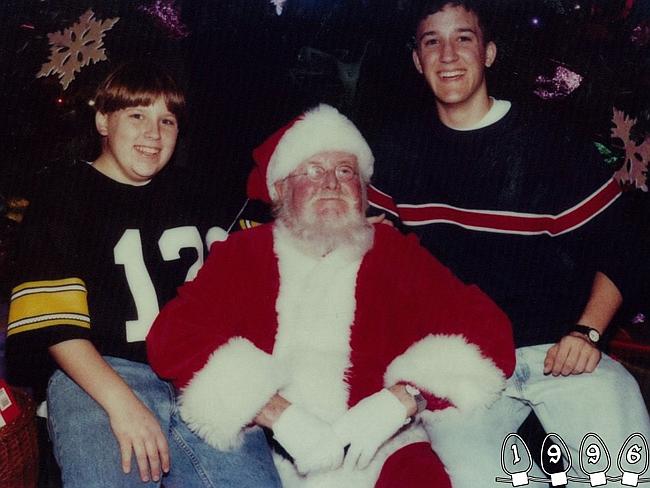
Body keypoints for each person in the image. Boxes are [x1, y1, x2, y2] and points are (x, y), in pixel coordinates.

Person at [146, 103, 516, 488]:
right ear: (280, 189)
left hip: (383, 451)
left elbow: (488, 333)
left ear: (363, 192)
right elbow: (173, 339)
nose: (331, 183)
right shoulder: (244, 253)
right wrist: (276, 412)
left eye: (345, 171)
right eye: (312, 170)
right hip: (272, 455)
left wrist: (401, 400)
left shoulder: (395, 253)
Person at [366, 1, 650, 486]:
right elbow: (371, 258)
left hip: (560, 353)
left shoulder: (551, 144)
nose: (448, 54)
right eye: (432, 41)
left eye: (464, 38)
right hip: (458, 367)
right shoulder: (395, 152)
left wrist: (588, 333)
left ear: (490, 52)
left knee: (620, 474)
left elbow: (625, 249)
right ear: (417, 60)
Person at [6, 62, 281, 488]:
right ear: (102, 119)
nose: (153, 134)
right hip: (101, 372)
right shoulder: (63, 191)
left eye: (166, 121)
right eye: (137, 115)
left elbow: (270, 252)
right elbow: (54, 326)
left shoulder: (198, 192)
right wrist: (123, 405)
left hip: (203, 371)